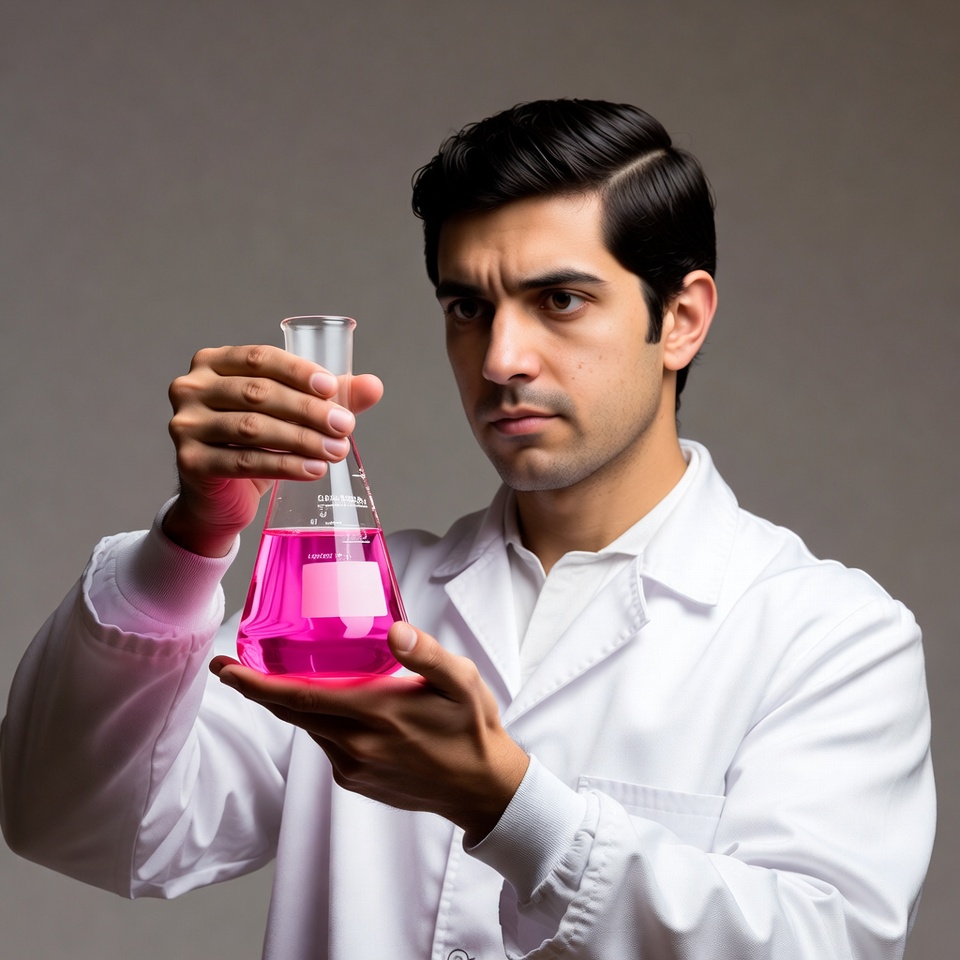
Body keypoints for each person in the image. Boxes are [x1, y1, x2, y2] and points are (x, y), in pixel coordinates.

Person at [1, 99, 935, 960]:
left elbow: (824, 944)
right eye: (467, 307)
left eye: (559, 300)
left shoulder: (830, 635)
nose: (499, 359)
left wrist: (511, 807)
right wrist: (192, 539)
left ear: (680, 319)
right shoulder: (353, 608)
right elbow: (74, 822)